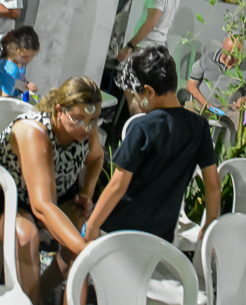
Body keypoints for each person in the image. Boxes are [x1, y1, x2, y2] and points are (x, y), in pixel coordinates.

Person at [0, 77, 104, 305]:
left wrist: (86, 192)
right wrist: (85, 249)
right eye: (79, 119)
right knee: (27, 236)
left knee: (81, 240)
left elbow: (96, 158)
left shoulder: (86, 128)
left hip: (52, 194)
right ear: (59, 110)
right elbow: (41, 207)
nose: (86, 128)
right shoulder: (33, 130)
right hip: (0, 193)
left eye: (93, 121)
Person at [85, 46, 220, 244]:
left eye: (135, 95)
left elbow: (117, 186)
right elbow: (213, 185)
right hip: (160, 238)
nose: (135, 101)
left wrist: (91, 227)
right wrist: (209, 223)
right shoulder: (199, 127)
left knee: (70, 244)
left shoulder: (141, 127)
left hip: (117, 231)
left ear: (148, 91)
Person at [186, 35, 246, 113]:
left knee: (239, 118)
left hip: (230, 110)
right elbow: (191, 84)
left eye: (234, 54)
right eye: (227, 52)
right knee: (185, 115)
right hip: (201, 104)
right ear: (222, 45)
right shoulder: (208, 58)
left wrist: (244, 99)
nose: (229, 57)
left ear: (241, 52)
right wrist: (205, 104)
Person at [0, 26, 40, 97]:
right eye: (24, 57)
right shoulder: (11, 70)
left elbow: (19, 80)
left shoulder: (20, 63)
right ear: (13, 50)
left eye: (32, 56)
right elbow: (4, 97)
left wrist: (28, 84)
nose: (28, 60)